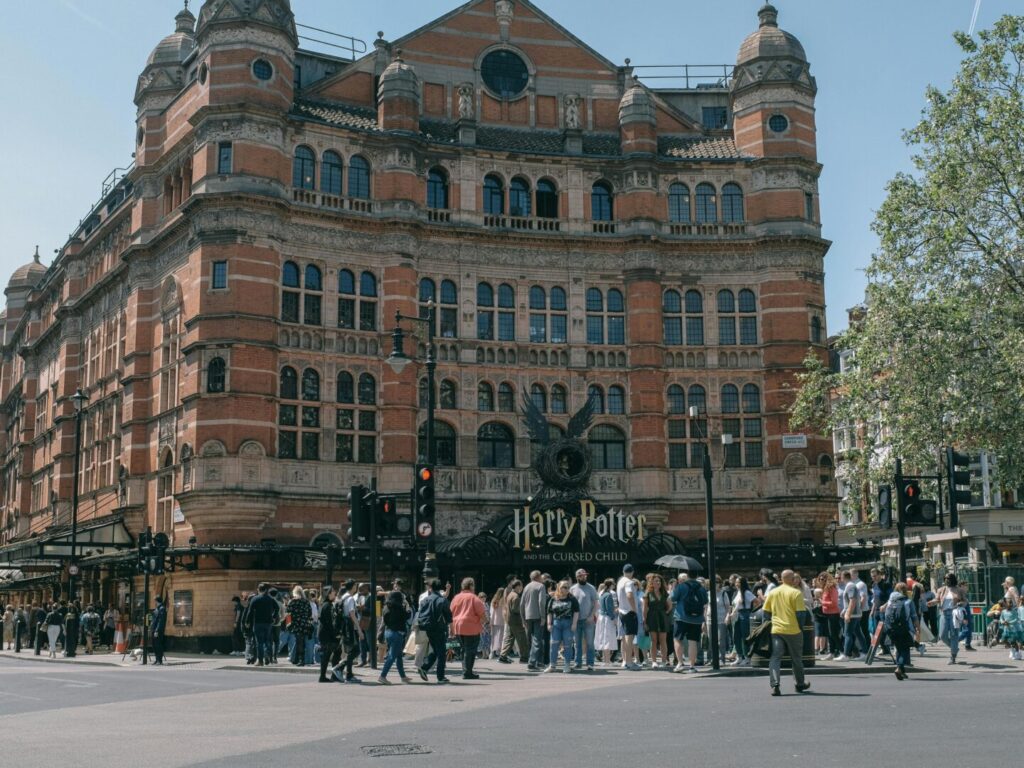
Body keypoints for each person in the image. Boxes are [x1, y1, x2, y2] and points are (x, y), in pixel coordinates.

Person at [763, 570, 810, 696]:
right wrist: (800, 627)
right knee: (796, 659)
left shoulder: (773, 592)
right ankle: (800, 684)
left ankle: (775, 685)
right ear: (792, 579)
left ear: (781, 578)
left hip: (777, 630)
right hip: (793, 630)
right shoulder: (796, 593)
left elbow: (766, 613)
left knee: (775, 657)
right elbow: (801, 613)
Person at [416, 579, 453, 684]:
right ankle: (440, 677)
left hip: (428, 628)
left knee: (436, 651)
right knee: (441, 653)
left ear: (431, 588)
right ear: (439, 588)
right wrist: (452, 629)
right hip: (440, 629)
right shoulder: (442, 600)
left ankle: (424, 667)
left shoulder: (425, 600)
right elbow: (448, 616)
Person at [670, 572, 707, 673]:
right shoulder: (701, 588)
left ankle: (680, 663)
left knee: (677, 640)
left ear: (688, 576)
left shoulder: (681, 586)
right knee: (693, 642)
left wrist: (674, 588)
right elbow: (705, 601)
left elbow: (672, 598)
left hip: (681, 617)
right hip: (697, 619)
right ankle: (692, 666)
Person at [449, 577, 486, 680]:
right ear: (471, 586)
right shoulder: (474, 598)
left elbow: (450, 613)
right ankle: (467, 672)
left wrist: (451, 628)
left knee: (463, 649)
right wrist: (484, 622)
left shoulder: (456, 598)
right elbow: (482, 614)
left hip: (458, 627)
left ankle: (465, 670)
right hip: (471, 627)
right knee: (470, 650)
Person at [883, 582, 918, 680]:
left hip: (890, 628)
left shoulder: (890, 601)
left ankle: (902, 671)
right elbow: (914, 617)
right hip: (903, 628)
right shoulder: (908, 602)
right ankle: (899, 667)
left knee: (899, 648)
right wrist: (918, 629)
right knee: (905, 649)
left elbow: (883, 612)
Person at [378, 588, 412, 684]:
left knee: (399, 655)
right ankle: (382, 676)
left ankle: (403, 677)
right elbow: (407, 616)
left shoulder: (386, 607)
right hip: (397, 633)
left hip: (388, 632)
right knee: (392, 656)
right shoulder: (399, 607)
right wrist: (408, 607)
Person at [932, 572, 967, 665]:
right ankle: (954, 647)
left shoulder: (959, 590)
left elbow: (965, 601)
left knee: (954, 635)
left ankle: (953, 656)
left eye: (949, 578)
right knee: (942, 635)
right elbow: (937, 599)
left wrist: (961, 603)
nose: (947, 580)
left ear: (953, 579)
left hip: (954, 614)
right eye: (945, 578)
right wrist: (931, 602)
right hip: (944, 613)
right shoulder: (941, 589)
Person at [545, 580, 579, 673]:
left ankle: (567, 665)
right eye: (564, 587)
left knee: (568, 645)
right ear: (559, 588)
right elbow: (549, 612)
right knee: (553, 644)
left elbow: (576, 611)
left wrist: (574, 623)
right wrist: (549, 623)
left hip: (568, 623)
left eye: (568, 587)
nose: (567, 589)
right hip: (556, 624)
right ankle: (552, 665)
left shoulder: (572, 598)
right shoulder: (553, 598)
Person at [245, 583, 279, 667]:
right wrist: (274, 616)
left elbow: (250, 611)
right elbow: (277, 607)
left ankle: (260, 660)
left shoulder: (255, 599)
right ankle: (267, 657)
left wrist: (247, 621)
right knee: (267, 641)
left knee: (259, 642)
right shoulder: (270, 599)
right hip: (268, 623)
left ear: (258, 589)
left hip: (258, 622)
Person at [570, 569, 598, 671]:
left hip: (588, 620)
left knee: (590, 642)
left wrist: (591, 616)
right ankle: (578, 663)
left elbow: (596, 603)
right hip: (576, 620)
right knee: (577, 643)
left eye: (585, 575)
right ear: (577, 577)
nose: (584, 577)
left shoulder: (591, 588)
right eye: (582, 576)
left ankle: (590, 663)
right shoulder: (572, 589)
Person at [334, 580, 362, 683]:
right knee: (356, 650)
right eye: (355, 585)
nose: (356, 587)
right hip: (351, 627)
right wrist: (359, 629)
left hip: (345, 627)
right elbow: (352, 614)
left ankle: (349, 675)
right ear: (353, 586)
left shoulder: (343, 597)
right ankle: (340, 668)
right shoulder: (350, 598)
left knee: (351, 651)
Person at [520, 571, 547, 671]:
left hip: (528, 616)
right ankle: (532, 663)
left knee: (532, 640)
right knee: (537, 640)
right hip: (538, 616)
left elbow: (521, 603)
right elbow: (541, 602)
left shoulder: (526, 587)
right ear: (539, 577)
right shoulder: (541, 586)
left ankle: (538, 662)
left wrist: (523, 618)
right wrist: (543, 617)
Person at [616, 564, 640, 670]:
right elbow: (629, 595)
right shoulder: (629, 582)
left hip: (622, 611)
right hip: (629, 612)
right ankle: (629, 662)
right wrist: (634, 609)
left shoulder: (620, 581)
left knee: (624, 638)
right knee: (629, 638)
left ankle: (625, 661)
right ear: (632, 572)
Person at [836, 570, 865, 661]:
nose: (839, 579)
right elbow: (849, 602)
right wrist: (844, 610)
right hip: (855, 614)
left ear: (843, 577)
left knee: (847, 634)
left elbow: (852, 601)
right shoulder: (850, 585)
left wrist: (847, 614)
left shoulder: (850, 586)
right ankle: (864, 653)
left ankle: (846, 655)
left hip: (853, 614)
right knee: (858, 634)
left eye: (840, 577)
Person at [727, 575, 755, 667]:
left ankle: (746, 657)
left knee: (744, 636)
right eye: (736, 582)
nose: (737, 584)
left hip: (745, 614)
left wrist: (752, 611)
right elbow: (733, 605)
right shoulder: (736, 592)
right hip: (737, 615)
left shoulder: (746, 592)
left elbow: (756, 601)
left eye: (738, 582)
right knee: (736, 636)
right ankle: (739, 657)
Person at [644, 573, 670, 668]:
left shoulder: (665, 593)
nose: (658, 582)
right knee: (653, 640)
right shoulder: (648, 594)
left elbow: (669, 606)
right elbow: (645, 609)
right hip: (652, 617)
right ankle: (654, 661)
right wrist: (645, 621)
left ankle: (664, 661)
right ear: (651, 583)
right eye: (656, 581)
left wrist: (665, 612)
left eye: (659, 581)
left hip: (662, 617)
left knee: (663, 640)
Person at [498, 580, 527, 664]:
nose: (522, 588)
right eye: (521, 586)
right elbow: (516, 609)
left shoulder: (510, 594)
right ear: (518, 586)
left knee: (509, 639)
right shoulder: (516, 596)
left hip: (510, 620)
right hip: (516, 621)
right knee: (522, 639)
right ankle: (524, 657)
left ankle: (503, 656)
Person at [317, 586, 341, 683]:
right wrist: (335, 634)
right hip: (327, 634)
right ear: (328, 594)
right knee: (328, 655)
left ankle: (329, 675)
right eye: (333, 592)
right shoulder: (327, 606)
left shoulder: (327, 604)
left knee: (335, 653)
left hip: (326, 633)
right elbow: (329, 622)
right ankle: (324, 676)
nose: (335, 593)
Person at [816, 572, 841, 659]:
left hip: (833, 614)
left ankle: (842, 651)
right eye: (820, 579)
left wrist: (822, 602)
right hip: (827, 614)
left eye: (823, 579)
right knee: (829, 634)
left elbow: (834, 603)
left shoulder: (831, 588)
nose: (821, 580)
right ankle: (832, 652)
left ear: (827, 579)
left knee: (833, 634)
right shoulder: (824, 589)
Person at [286, 586, 313, 667]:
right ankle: (298, 659)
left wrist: (288, 625)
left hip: (296, 624)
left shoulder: (292, 602)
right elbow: (309, 613)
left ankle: (300, 660)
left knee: (299, 642)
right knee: (303, 642)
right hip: (305, 624)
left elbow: (288, 614)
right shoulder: (306, 602)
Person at [595, 578, 618, 665]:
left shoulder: (602, 593)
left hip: (602, 617)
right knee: (607, 638)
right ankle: (607, 661)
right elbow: (609, 609)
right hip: (607, 619)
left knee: (604, 638)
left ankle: (606, 660)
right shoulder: (608, 595)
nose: (614, 585)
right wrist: (614, 619)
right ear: (611, 585)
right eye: (613, 584)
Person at [489, 588, 506, 658]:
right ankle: (499, 652)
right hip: (502, 621)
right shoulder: (504, 601)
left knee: (494, 637)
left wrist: (491, 622)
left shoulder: (494, 601)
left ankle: (492, 652)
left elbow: (491, 613)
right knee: (501, 638)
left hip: (494, 621)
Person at [151, 596, 167, 665]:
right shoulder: (157, 609)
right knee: (154, 645)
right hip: (153, 629)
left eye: (155, 601)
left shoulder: (162, 609)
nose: (154, 602)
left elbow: (160, 621)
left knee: (158, 645)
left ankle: (159, 660)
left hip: (158, 631)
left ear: (157, 601)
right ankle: (157, 659)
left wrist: (157, 631)